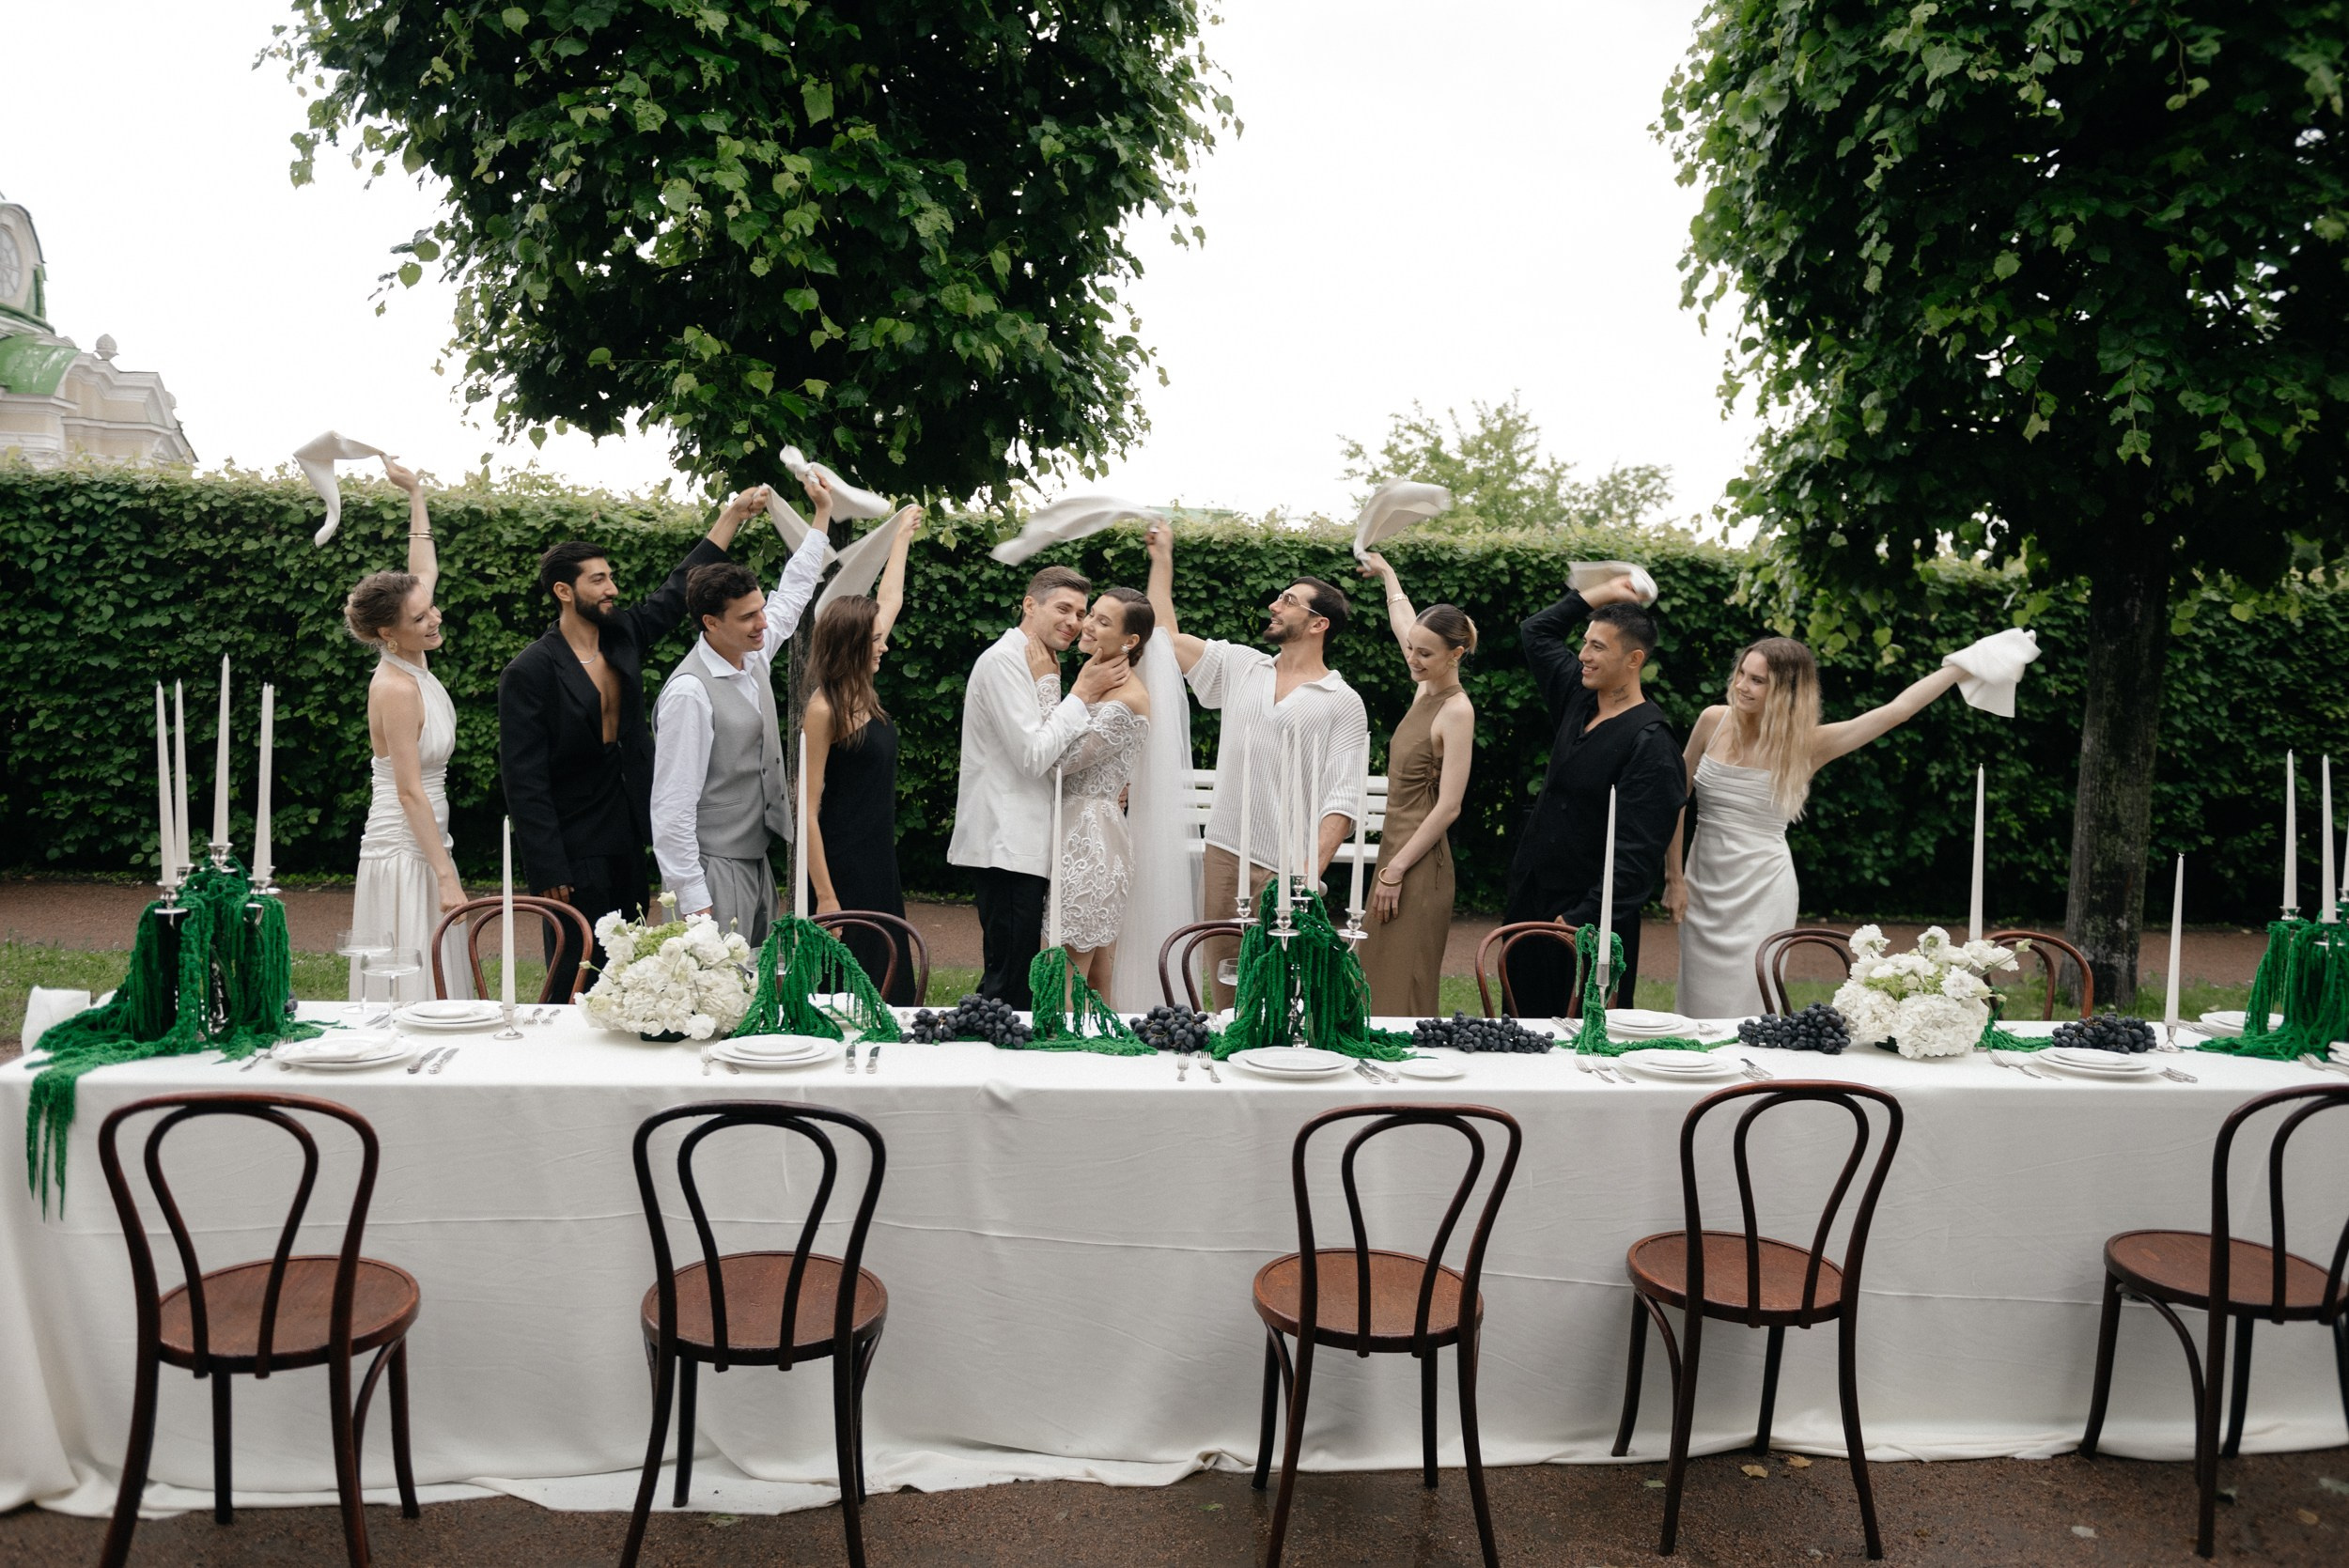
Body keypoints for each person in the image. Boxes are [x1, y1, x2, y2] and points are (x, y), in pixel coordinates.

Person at [499, 485, 770, 997]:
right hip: (574, 841)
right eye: (598, 580)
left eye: (610, 578)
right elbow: (523, 779)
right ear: (564, 590)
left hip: (627, 827)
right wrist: (547, 865)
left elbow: (678, 588)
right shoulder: (530, 671)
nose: (612, 589)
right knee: (575, 968)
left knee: (631, 962)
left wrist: (732, 516)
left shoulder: (620, 635)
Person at [1663, 639, 1967, 1017]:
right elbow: (1674, 796)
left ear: (1786, 692)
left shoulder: (1807, 743)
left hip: (1763, 889)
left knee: (1753, 998)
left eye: (1757, 680)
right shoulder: (1713, 719)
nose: (1741, 685)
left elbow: (1896, 712)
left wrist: (1962, 667)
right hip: (1702, 883)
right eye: (1741, 673)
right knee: (1696, 998)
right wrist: (1674, 877)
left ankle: (1753, 1075)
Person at [1144, 520, 1370, 1009]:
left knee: (1281, 993)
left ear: (1318, 624)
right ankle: (1226, 1075)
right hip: (1225, 850)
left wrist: (1306, 875)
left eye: (1289, 600)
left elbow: (1343, 799)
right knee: (1225, 987)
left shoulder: (1342, 700)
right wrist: (1162, 561)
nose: (1274, 603)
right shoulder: (1242, 665)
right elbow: (1163, 638)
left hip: (1286, 867)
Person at [649, 476, 833, 947]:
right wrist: (693, 898)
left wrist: (821, 517)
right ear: (711, 623)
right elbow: (671, 807)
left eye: (759, 610)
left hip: (753, 857)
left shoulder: (751, 654)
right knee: (716, 1002)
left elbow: (791, 597)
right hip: (712, 870)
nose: (762, 622)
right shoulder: (689, 694)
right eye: (749, 616)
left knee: (759, 988)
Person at [948, 565, 1132, 1008]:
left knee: (1014, 980)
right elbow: (1033, 756)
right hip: (1006, 845)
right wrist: (1081, 694)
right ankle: (996, 1071)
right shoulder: (1004, 662)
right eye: (1063, 609)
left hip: (1028, 846)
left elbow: (1053, 751)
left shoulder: (1039, 662)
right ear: (1030, 605)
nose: (1074, 622)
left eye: (1081, 613)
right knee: (1011, 987)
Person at [1501, 570, 1683, 1017]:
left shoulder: (1652, 744)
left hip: (1590, 923)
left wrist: (1584, 916)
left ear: (1634, 659)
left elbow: (1636, 856)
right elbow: (1536, 631)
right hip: (1531, 899)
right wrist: (1602, 594)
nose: (1582, 655)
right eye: (1584, 642)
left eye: (1597, 647)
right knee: (1519, 1029)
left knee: (1580, 1041)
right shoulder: (1578, 699)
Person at [342, 457, 469, 1005]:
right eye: (420, 619)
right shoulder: (394, 687)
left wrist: (416, 492)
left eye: (430, 608)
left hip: (430, 839)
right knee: (411, 978)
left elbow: (423, 569)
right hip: (404, 848)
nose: (434, 618)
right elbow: (409, 789)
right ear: (387, 634)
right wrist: (444, 875)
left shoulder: (414, 657)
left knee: (441, 970)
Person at [801, 503, 925, 1001]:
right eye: (876, 640)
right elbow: (806, 812)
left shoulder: (862, 687)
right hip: (840, 867)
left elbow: (888, 599)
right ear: (852, 645)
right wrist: (827, 897)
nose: (885, 646)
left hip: (878, 859)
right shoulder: (823, 708)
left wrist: (900, 536)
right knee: (847, 991)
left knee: (889, 982)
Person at [1351, 552, 1477, 1017]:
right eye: (1411, 649)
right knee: (1375, 980)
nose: (1413, 658)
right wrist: (1388, 574)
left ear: (1455, 655)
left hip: (1417, 865)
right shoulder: (1424, 685)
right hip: (1395, 854)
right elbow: (1404, 622)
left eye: (1425, 653)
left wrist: (1395, 871)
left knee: (1405, 987)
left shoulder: (1457, 710)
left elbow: (1448, 808)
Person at [1050, 589, 1158, 997]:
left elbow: (1056, 761)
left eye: (1102, 621)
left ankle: (1059, 1053)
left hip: (1089, 842)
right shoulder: (1103, 686)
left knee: (1064, 973)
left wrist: (1076, 689)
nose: (1087, 625)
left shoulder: (1125, 700)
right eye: (1090, 614)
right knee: (1096, 975)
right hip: (1078, 829)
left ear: (1130, 641)